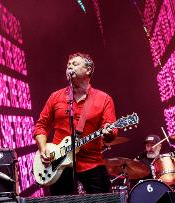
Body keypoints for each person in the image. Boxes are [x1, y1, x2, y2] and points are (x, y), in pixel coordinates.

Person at [33, 52, 117, 195]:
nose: (70, 67)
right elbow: (41, 126)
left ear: (88, 70)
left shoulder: (104, 99)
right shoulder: (56, 97)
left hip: (91, 163)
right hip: (60, 163)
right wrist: (42, 149)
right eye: (68, 65)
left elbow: (111, 133)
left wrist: (109, 133)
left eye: (75, 64)